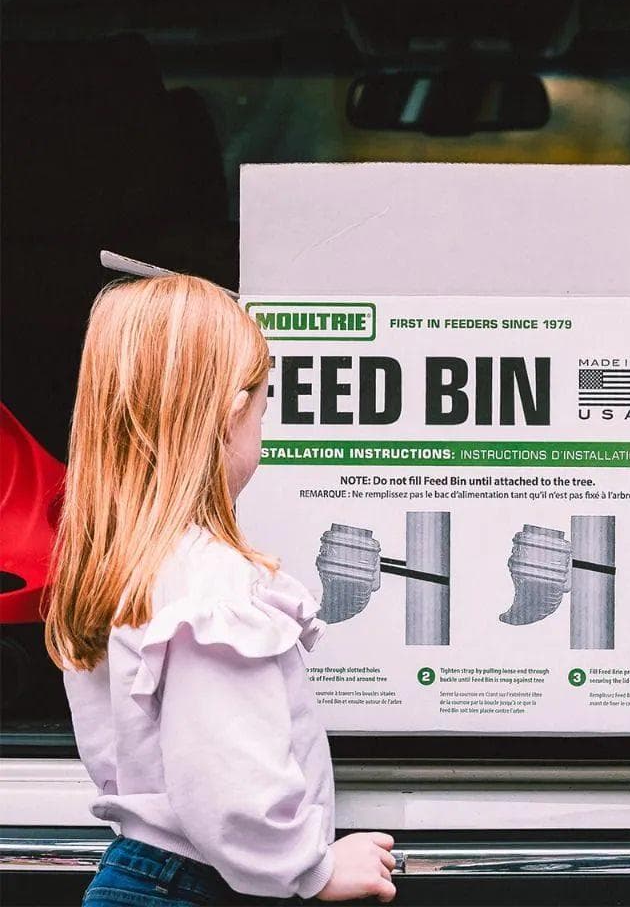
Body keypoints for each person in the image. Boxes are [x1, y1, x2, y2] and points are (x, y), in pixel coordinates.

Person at [44, 275, 397, 905]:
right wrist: (312, 869)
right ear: (232, 414)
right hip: (196, 885)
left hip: (140, 871)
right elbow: (229, 781)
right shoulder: (209, 581)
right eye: (264, 408)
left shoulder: (118, 565)